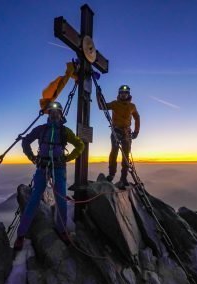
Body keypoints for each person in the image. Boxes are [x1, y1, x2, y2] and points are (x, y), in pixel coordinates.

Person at [13, 101, 84, 251]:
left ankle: (62, 230)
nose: (54, 114)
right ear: (49, 114)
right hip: (43, 167)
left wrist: (67, 158)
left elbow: (80, 145)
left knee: (61, 200)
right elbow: (26, 142)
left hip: (58, 167)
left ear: (61, 114)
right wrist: (32, 157)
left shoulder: (65, 132)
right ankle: (21, 234)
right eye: (52, 112)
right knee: (34, 199)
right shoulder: (41, 129)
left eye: (57, 112)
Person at [98, 85, 140, 187]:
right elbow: (102, 106)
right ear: (119, 94)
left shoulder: (132, 106)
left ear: (128, 94)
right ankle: (111, 174)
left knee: (125, 155)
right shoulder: (114, 104)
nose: (123, 94)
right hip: (116, 131)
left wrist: (136, 132)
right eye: (122, 92)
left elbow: (137, 118)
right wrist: (98, 95)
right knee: (114, 152)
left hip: (126, 132)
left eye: (125, 93)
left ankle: (123, 178)